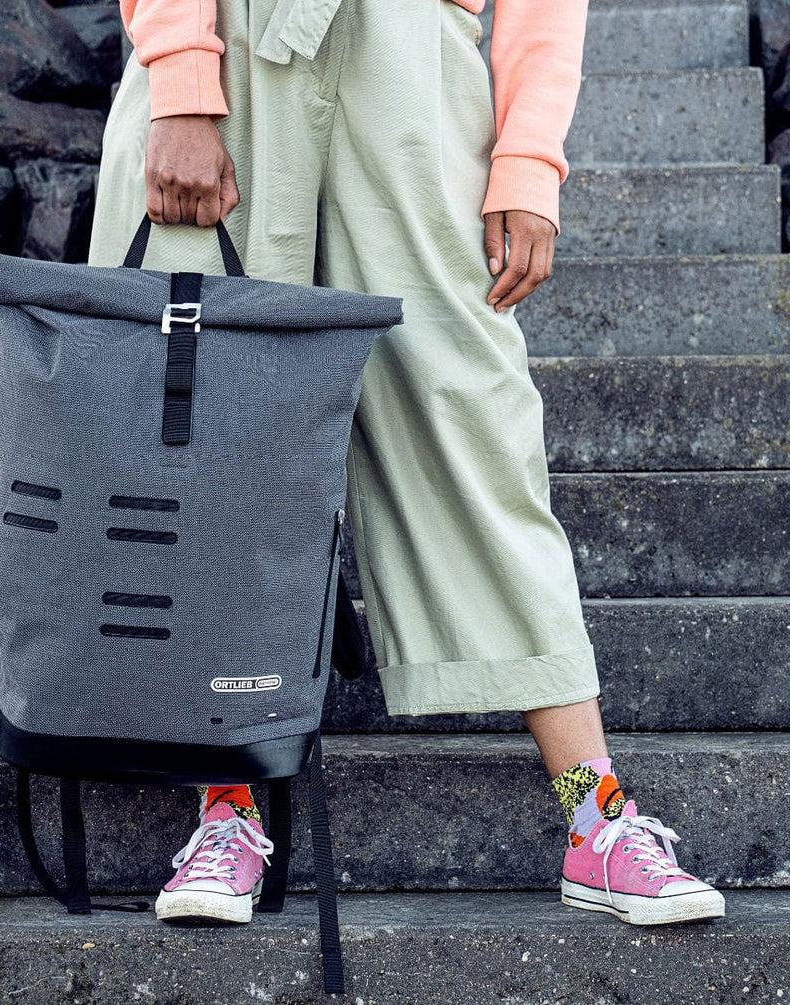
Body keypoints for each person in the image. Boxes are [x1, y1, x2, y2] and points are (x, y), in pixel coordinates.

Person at [87, 0, 726, 928]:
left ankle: (597, 814)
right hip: (223, 48)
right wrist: (183, 84)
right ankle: (225, 806)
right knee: (203, 427)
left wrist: (529, 158)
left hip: (412, 58)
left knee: (473, 422)